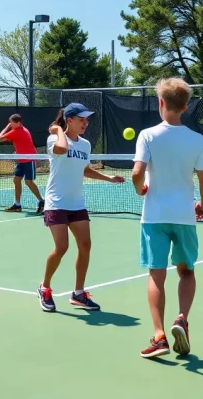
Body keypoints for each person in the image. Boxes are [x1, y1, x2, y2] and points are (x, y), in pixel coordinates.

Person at [131, 78, 203, 359]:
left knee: (156, 273)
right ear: (186, 107)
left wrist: (139, 188)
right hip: (184, 216)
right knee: (186, 271)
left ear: (160, 103)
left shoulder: (147, 135)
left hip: (154, 216)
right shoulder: (197, 139)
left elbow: (136, 173)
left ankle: (159, 335)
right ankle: (182, 319)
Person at [37, 102, 124, 313]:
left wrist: (108, 178)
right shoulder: (54, 139)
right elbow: (62, 148)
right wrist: (58, 130)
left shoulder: (85, 145)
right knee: (62, 248)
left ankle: (78, 293)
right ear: (69, 120)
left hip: (76, 203)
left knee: (85, 245)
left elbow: (85, 170)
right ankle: (44, 287)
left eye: (87, 119)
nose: (86, 123)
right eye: (81, 119)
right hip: (56, 203)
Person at [0, 113, 45, 215]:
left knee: (28, 182)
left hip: (30, 159)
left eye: (12, 123)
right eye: (9, 123)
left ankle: (42, 201)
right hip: (21, 160)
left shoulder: (17, 131)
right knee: (16, 180)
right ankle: (17, 205)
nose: (11, 125)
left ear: (18, 123)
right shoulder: (20, 130)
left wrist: (6, 128)